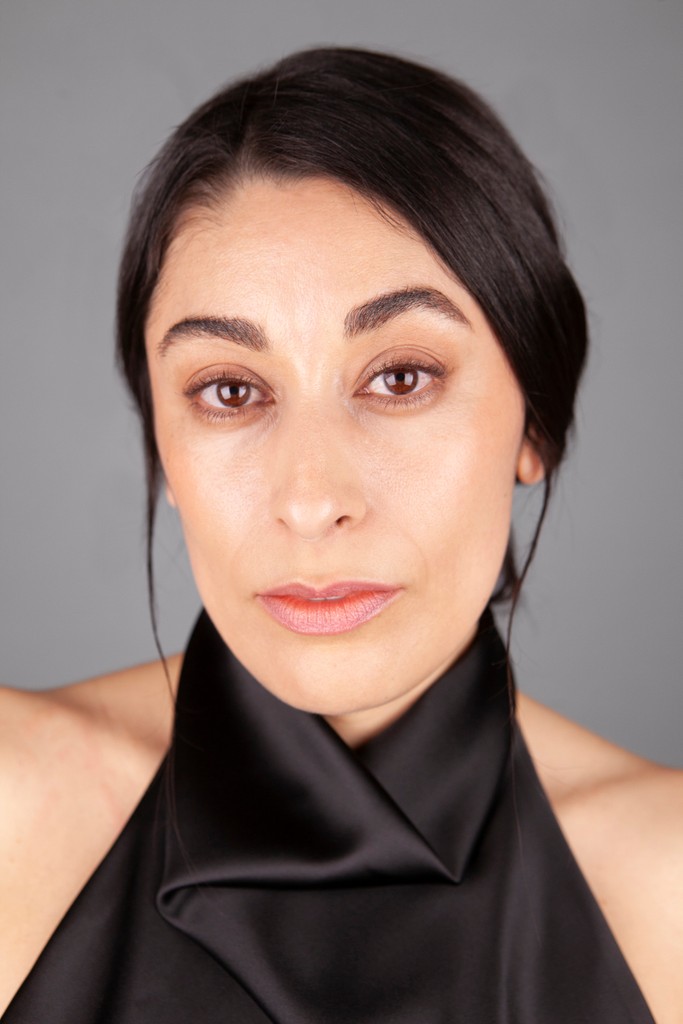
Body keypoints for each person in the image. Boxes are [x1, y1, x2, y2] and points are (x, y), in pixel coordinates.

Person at [0, 46, 680, 1023]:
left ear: (533, 422)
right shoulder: (13, 802)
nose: (311, 499)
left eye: (399, 377)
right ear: (163, 448)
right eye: (229, 391)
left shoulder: (667, 885)